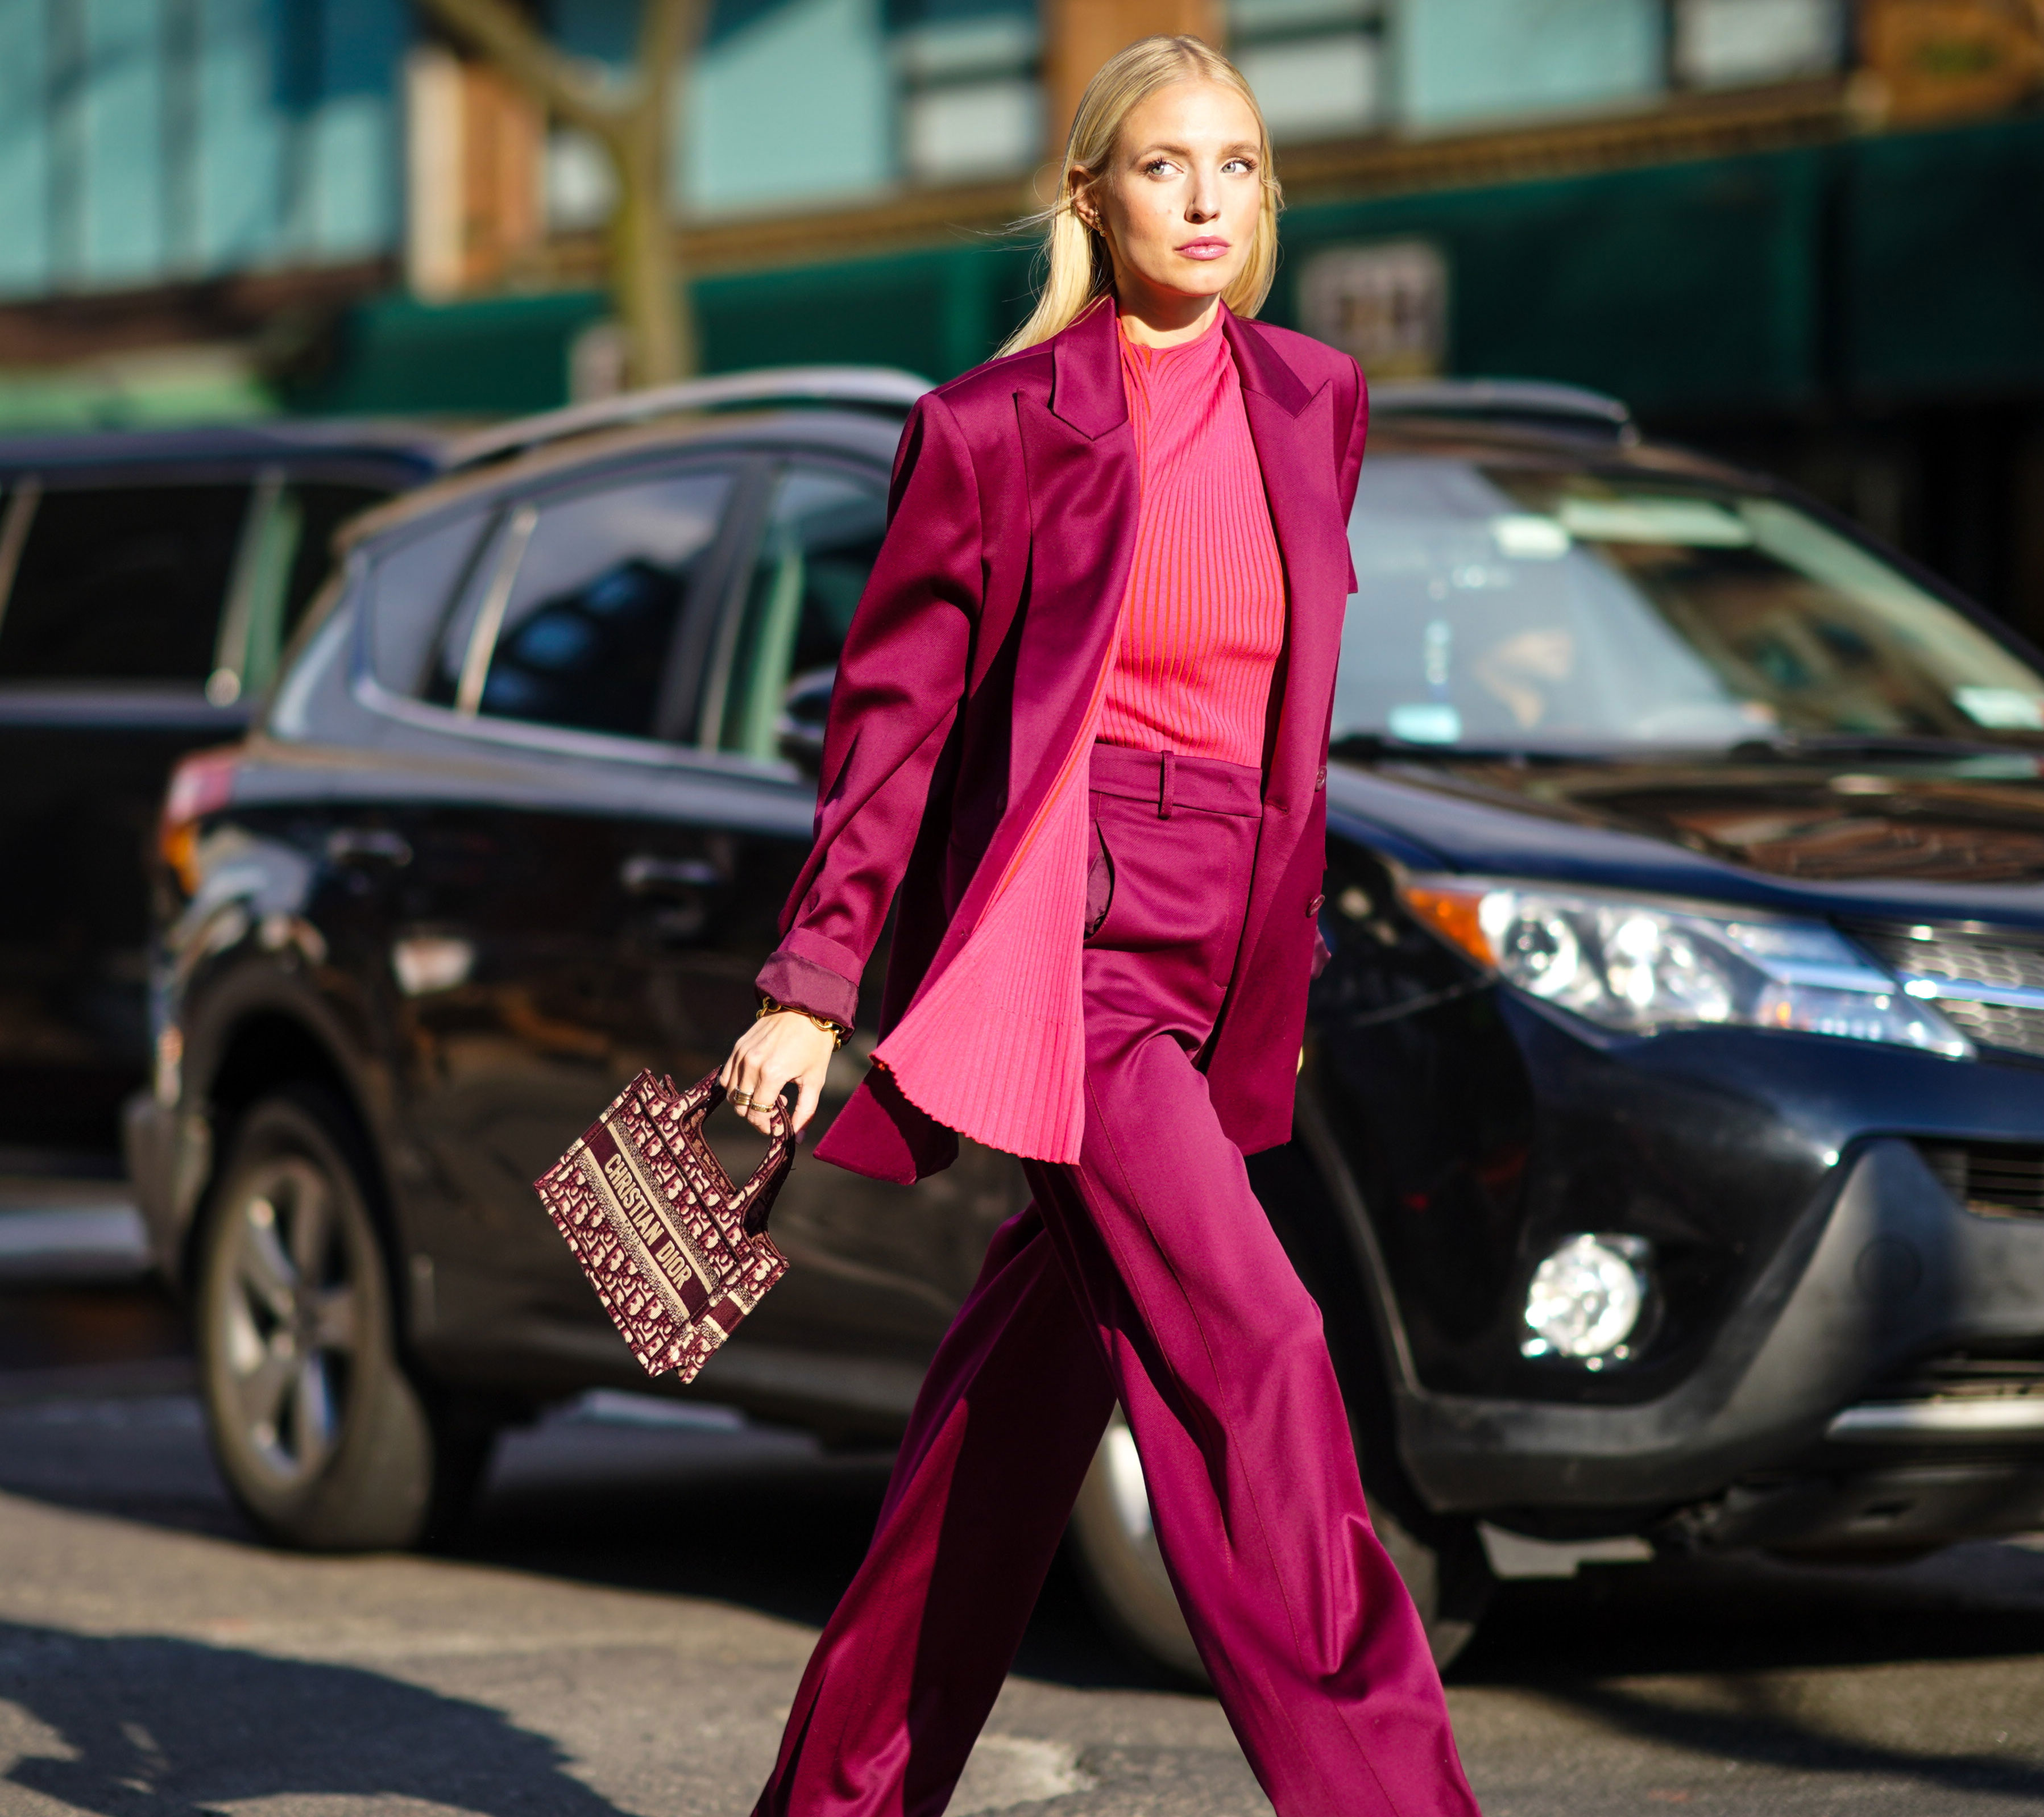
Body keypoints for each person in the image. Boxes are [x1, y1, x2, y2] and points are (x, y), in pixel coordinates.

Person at [717, 34, 1485, 1817]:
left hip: (1225, 952)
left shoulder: (1316, 399)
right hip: (1067, 955)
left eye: (1235, 163)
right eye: (1163, 165)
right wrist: (810, 985)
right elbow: (891, 729)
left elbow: (1277, 713)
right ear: (1093, 196)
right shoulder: (990, 430)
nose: (1205, 196)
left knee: (1011, 1429)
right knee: (1261, 1355)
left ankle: (832, 1803)